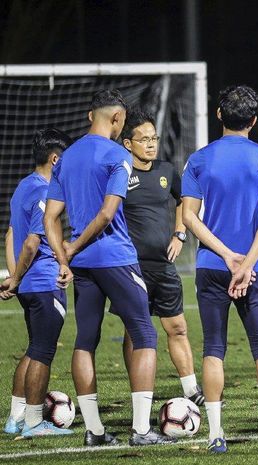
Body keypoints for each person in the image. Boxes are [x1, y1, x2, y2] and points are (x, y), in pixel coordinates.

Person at [181, 85, 258, 454]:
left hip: (210, 265)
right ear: (253, 120)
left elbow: (189, 216)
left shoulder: (198, 160)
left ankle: (215, 435)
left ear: (219, 115)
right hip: (252, 270)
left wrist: (225, 256)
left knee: (213, 348)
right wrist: (245, 263)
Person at [44, 90, 174, 446]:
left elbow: (50, 216)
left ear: (91, 116)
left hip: (82, 265)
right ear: (117, 120)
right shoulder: (119, 155)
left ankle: (94, 431)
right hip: (115, 258)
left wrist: (64, 256)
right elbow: (106, 213)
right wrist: (73, 247)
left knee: (86, 340)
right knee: (145, 335)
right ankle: (142, 430)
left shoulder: (66, 158)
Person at [119, 108, 204, 406]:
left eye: (154, 138)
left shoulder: (166, 171)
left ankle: (192, 389)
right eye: (144, 139)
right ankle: (139, 392)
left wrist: (180, 234)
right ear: (128, 144)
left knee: (177, 327)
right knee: (136, 331)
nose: (151, 144)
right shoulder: (119, 174)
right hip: (131, 268)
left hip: (164, 267)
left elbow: (186, 202)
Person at [1, 129, 73, 437]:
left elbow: (10, 235)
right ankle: (33, 422)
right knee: (43, 352)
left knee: (33, 349)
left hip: (28, 285)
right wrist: (15, 278)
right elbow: (31, 241)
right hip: (44, 282)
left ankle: (14, 418)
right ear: (56, 159)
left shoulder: (22, 186)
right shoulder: (46, 191)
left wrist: (14, 278)